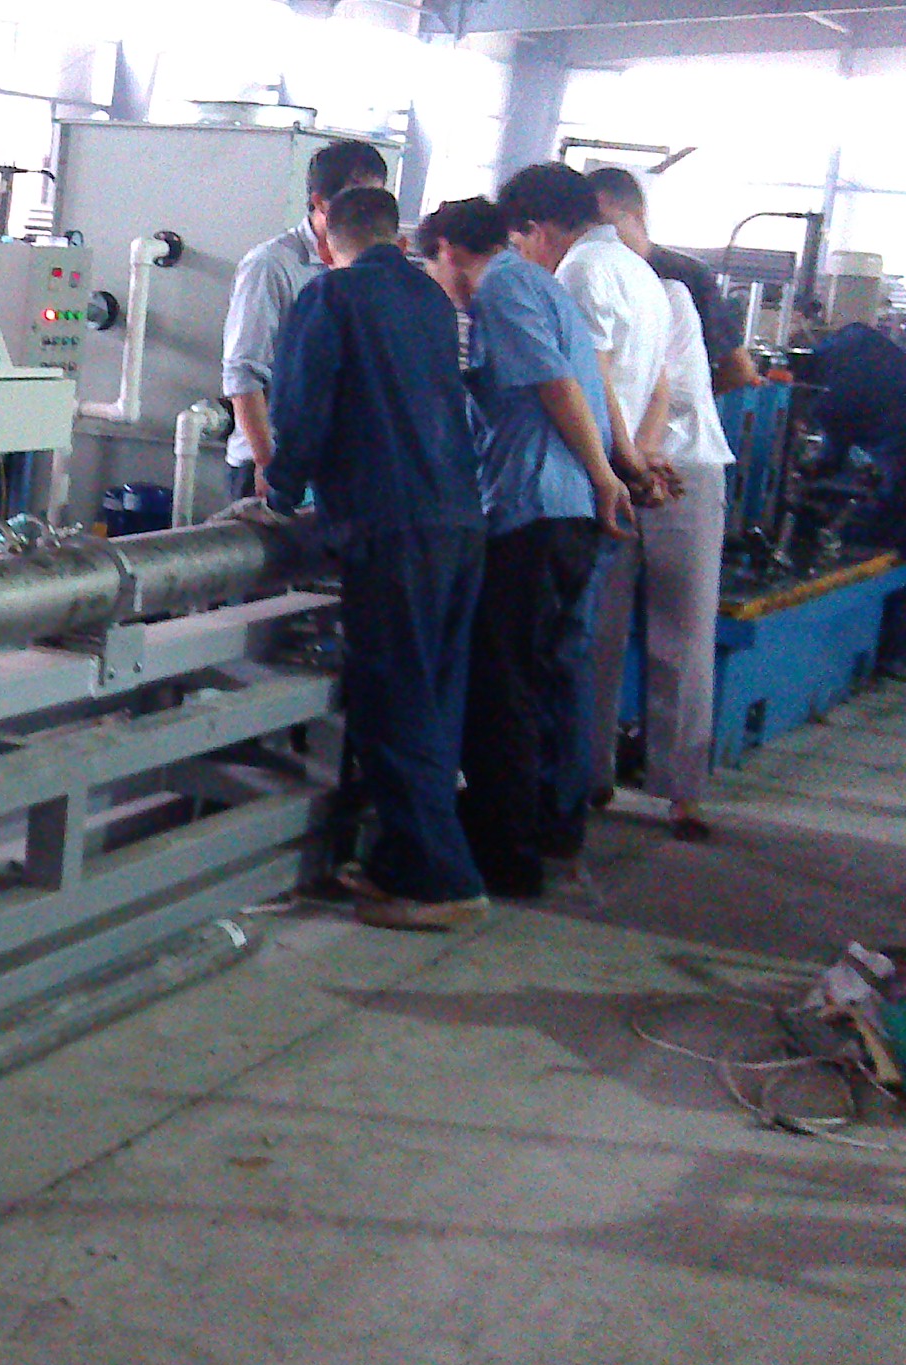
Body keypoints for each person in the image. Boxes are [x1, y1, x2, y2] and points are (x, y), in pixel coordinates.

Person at [263, 187, 488, 930]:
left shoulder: (330, 297)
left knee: (395, 701)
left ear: (327, 237)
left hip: (392, 527)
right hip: (459, 519)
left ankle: (439, 882)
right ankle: (397, 863)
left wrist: (280, 491)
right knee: (436, 700)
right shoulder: (432, 300)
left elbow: (303, 407)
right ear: (401, 238)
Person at [420, 193, 634, 900]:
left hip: (537, 509)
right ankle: (552, 832)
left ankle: (506, 857)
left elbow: (556, 386)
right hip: (560, 510)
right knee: (547, 678)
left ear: (450, 251)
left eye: (433, 268)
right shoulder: (538, 284)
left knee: (504, 687)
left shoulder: (503, 290)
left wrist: (605, 476)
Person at [509, 162, 670, 879]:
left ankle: (547, 818)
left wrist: (620, 464)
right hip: (600, 487)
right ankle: (561, 818)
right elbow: (657, 384)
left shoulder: (580, 271)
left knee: (546, 664)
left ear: (540, 227)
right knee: (569, 658)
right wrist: (638, 463)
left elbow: (581, 380)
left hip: (573, 489)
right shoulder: (642, 274)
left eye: (520, 240)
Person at [583, 274, 735, 840]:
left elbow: (681, 392)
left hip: (682, 471)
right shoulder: (583, 287)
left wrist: (639, 457)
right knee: (597, 633)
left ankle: (682, 791)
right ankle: (589, 774)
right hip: (611, 473)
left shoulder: (669, 297)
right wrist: (625, 462)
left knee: (684, 633)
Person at [221, 138, 390, 500]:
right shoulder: (271, 265)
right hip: (271, 461)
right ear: (319, 203)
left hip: (334, 468)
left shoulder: (368, 269)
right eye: (356, 202)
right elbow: (243, 371)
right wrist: (267, 462)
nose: (368, 215)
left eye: (375, 201)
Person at [797, 322, 906, 681]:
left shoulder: (827, 385)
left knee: (894, 552)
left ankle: (885, 656)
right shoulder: (859, 340)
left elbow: (833, 454)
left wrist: (810, 472)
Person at [587, 166, 762, 394]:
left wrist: (684, 397)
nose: (595, 237)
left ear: (637, 215)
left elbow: (740, 370)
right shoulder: (590, 274)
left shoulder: (686, 277)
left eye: (604, 224)